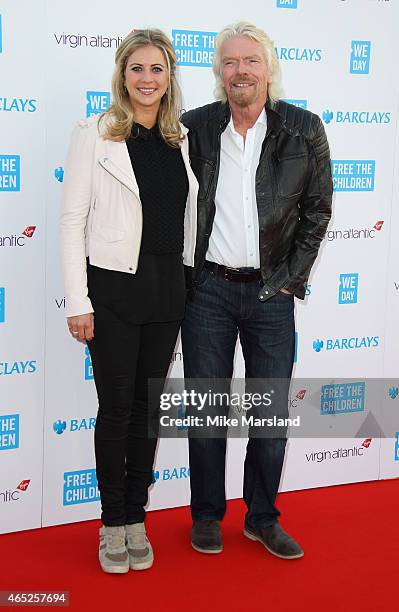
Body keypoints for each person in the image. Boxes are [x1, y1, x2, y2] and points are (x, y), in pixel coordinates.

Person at [181, 22, 333, 559]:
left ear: (268, 68)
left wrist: (289, 280)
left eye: (250, 61)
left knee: (269, 417)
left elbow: (317, 212)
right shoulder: (194, 128)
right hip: (209, 293)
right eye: (229, 62)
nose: (240, 71)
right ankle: (206, 515)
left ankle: (262, 518)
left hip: (272, 294)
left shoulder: (304, 128)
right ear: (218, 72)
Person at [60, 29, 198, 574]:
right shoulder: (93, 134)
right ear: (122, 75)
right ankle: (111, 522)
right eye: (136, 68)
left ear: (169, 78)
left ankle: (137, 517)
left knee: (147, 411)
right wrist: (78, 299)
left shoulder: (181, 138)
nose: (147, 78)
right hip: (113, 289)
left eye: (157, 69)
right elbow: (72, 221)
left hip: (168, 289)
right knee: (116, 410)